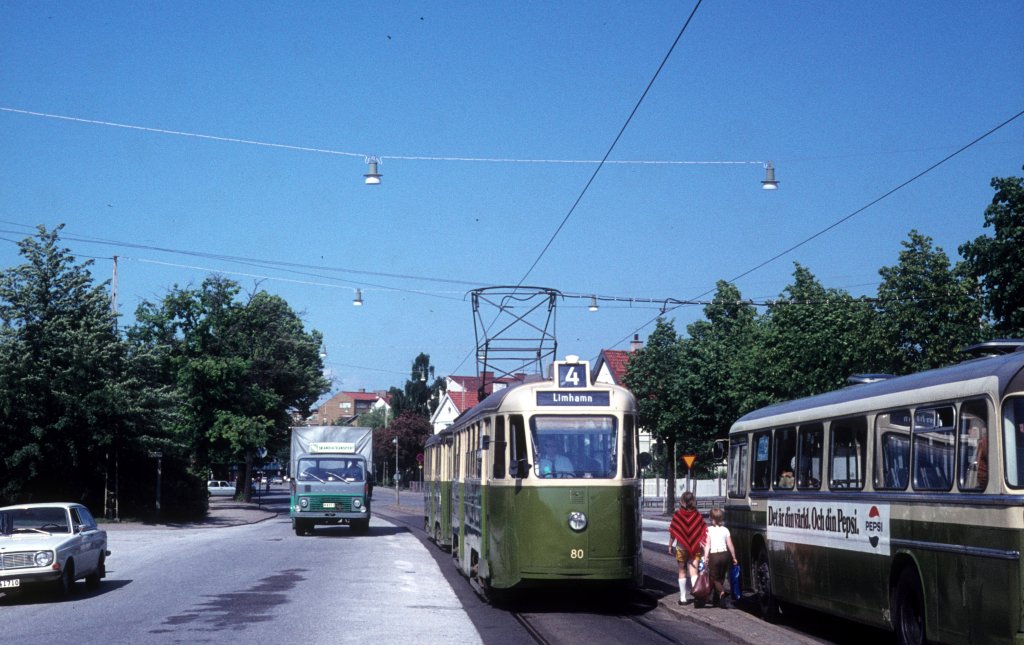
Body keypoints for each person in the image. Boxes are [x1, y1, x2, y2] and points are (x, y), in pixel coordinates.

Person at [668, 491, 707, 605]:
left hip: (681, 548)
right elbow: (703, 531)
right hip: (695, 548)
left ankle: (683, 598)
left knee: (682, 571)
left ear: (682, 501)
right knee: (693, 571)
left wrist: (670, 545)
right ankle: (697, 596)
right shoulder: (697, 515)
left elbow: (673, 533)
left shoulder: (677, 515)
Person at [702, 507, 738, 608]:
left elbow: (707, 545)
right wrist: (734, 557)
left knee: (714, 578)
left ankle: (722, 592)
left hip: (714, 555)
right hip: (725, 555)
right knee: (721, 576)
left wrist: (706, 557)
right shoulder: (725, 530)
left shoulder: (708, 530)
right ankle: (717, 600)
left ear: (711, 519)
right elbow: (730, 544)